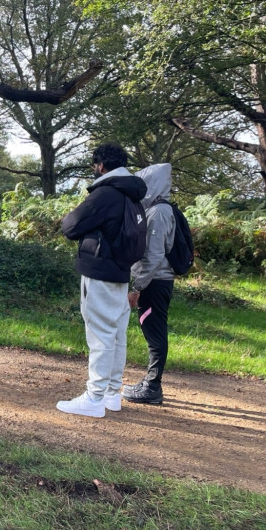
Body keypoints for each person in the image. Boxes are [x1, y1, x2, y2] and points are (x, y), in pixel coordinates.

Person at [56, 143, 147, 418]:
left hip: (100, 271)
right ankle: (111, 394)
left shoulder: (106, 193)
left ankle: (94, 398)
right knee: (117, 334)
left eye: (94, 166)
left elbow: (71, 226)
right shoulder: (132, 194)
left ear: (100, 165)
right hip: (121, 270)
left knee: (100, 335)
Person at [124, 163, 177, 405]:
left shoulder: (159, 213)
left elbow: (154, 256)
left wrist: (137, 288)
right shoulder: (157, 210)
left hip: (155, 283)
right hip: (154, 281)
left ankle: (153, 386)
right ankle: (150, 383)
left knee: (154, 333)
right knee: (152, 330)